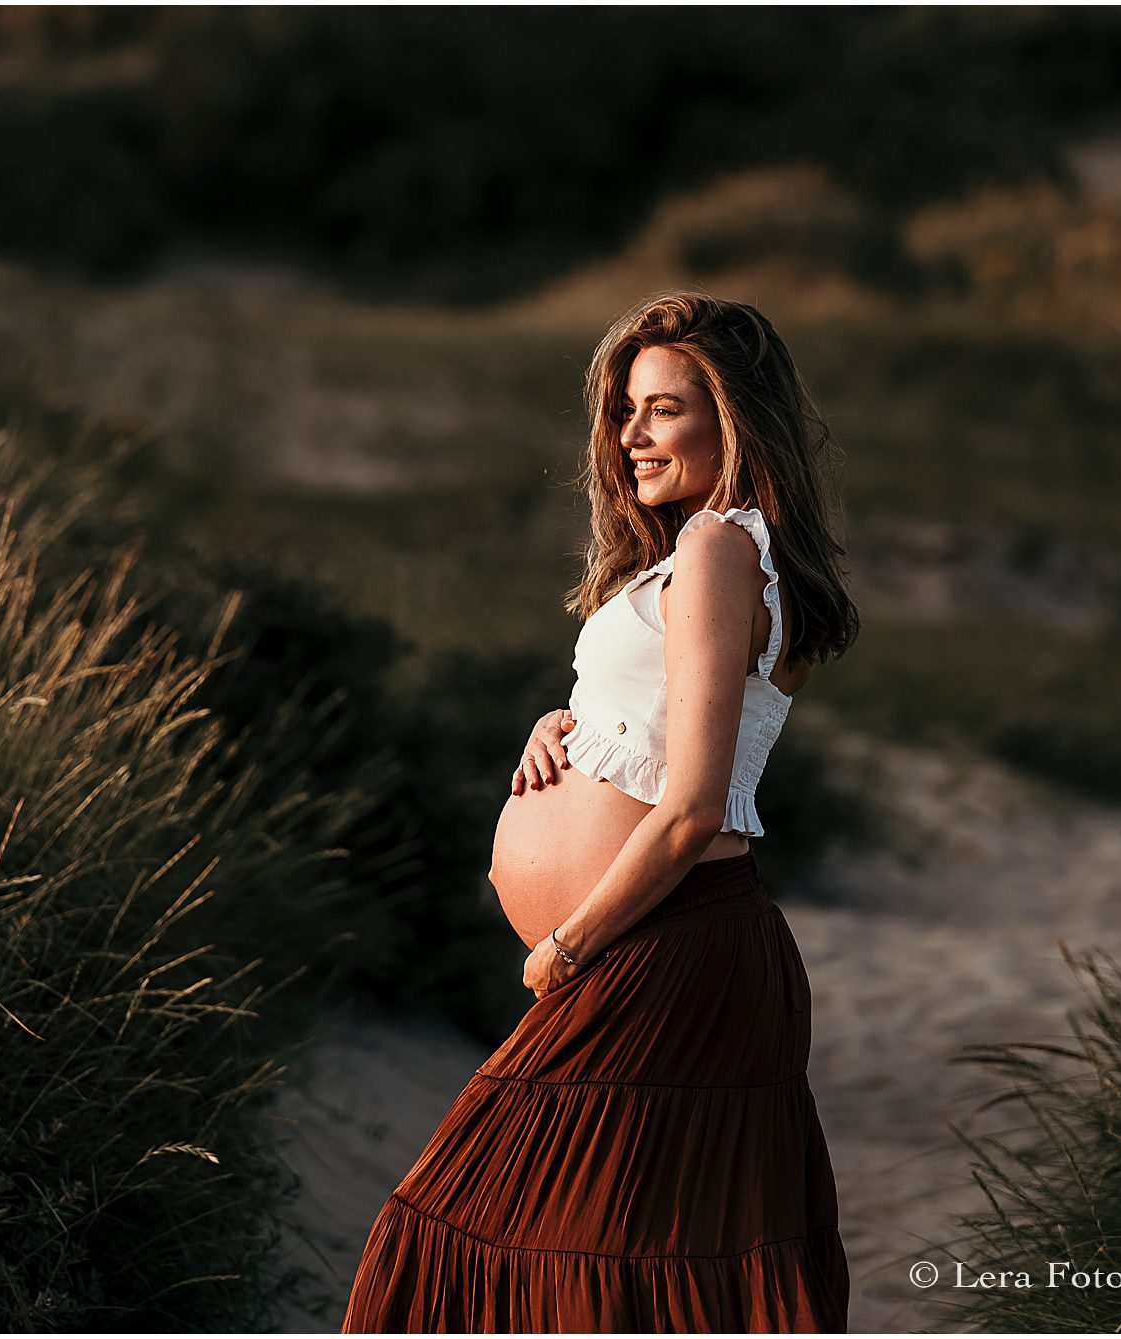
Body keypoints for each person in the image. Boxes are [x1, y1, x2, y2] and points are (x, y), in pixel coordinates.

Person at [339, 290, 860, 1333]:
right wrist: (566, 722)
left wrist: (568, 945)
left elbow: (692, 804)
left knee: (476, 1235)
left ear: (734, 419)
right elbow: (670, 721)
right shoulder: (703, 552)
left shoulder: (717, 547)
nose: (629, 436)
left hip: (658, 949)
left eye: (663, 409)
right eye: (624, 410)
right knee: (607, 1272)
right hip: (670, 947)